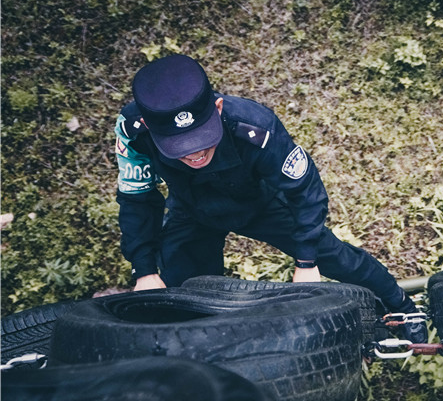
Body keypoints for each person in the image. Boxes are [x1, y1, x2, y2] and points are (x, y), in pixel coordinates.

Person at [114, 54, 426, 342]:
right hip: (191, 209)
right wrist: (144, 270)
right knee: (183, 289)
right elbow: (137, 198)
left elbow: (305, 191)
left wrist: (306, 262)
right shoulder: (132, 130)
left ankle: (401, 305)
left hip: (257, 203)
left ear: (218, 109)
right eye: (181, 145)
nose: (195, 153)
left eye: (202, 139)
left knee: (334, 256)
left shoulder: (255, 127)